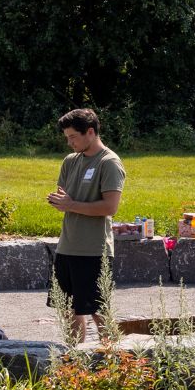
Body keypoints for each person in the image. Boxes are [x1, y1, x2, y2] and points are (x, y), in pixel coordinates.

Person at [46, 109, 125, 342]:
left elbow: (110, 207)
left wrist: (71, 204)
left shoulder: (109, 162)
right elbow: (67, 199)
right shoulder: (70, 161)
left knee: (98, 311)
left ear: (90, 132)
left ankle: (113, 363)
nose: (69, 142)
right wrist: (61, 203)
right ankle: (75, 363)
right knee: (68, 309)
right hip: (66, 247)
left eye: (73, 137)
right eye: (67, 138)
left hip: (94, 250)